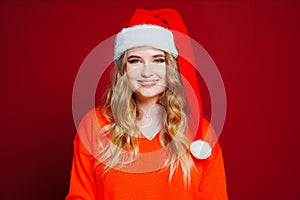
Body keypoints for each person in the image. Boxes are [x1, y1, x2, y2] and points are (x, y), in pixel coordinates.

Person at [66, 8, 228, 200]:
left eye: (158, 60)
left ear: (171, 68)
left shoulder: (200, 136)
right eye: (135, 61)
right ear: (123, 70)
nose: (146, 72)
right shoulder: (94, 126)